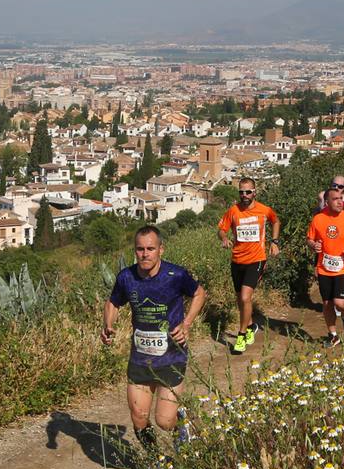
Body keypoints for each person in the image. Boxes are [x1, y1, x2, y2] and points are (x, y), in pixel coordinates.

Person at [102, 226, 206, 451]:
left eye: (150, 248)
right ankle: (155, 461)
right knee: (139, 417)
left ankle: (183, 424)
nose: (145, 254)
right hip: (140, 358)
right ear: (135, 251)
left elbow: (199, 293)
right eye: (140, 249)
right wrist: (108, 325)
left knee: (164, 421)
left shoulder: (176, 275)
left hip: (172, 355)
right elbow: (113, 302)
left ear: (161, 249)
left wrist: (186, 323)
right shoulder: (126, 277)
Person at [217, 177, 279, 355]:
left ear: (255, 192)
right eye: (241, 192)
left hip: (256, 259)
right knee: (240, 300)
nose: (244, 195)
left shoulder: (264, 210)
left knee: (245, 298)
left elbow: (275, 221)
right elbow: (221, 229)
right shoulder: (233, 211)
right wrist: (224, 238)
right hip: (237, 261)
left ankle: (242, 335)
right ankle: (251, 325)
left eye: (248, 192)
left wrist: (274, 242)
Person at [307, 188, 344, 345]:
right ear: (327, 202)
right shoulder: (318, 219)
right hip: (324, 267)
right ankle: (333, 335)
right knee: (327, 304)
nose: (340, 201)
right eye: (336, 199)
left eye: (341, 198)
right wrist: (314, 246)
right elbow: (310, 239)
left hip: (343, 267)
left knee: (339, 303)